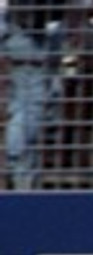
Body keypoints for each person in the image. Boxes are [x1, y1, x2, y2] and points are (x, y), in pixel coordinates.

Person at [2, 0, 65, 189]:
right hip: (27, 53)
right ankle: (22, 177)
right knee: (26, 117)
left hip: (38, 46)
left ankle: (24, 176)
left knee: (33, 114)